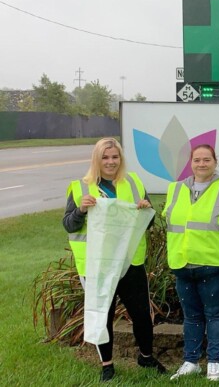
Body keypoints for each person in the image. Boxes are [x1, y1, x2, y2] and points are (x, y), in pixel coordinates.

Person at [62, 137, 166, 382]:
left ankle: (146, 357)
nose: (110, 162)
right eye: (105, 157)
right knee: (103, 314)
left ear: (121, 159)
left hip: (129, 261)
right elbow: (68, 225)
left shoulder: (133, 182)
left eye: (115, 157)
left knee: (141, 313)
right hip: (96, 264)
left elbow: (149, 221)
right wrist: (80, 211)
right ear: (96, 159)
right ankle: (107, 365)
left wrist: (144, 209)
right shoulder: (80, 187)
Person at [164, 144, 219, 381]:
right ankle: (191, 361)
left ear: (215, 161)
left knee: (215, 315)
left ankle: (214, 363)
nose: (201, 164)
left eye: (207, 159)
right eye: (197, 160)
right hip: (183, 263)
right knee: (191, 316)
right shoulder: (175, 189)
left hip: (215, 263)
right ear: (190, 162)